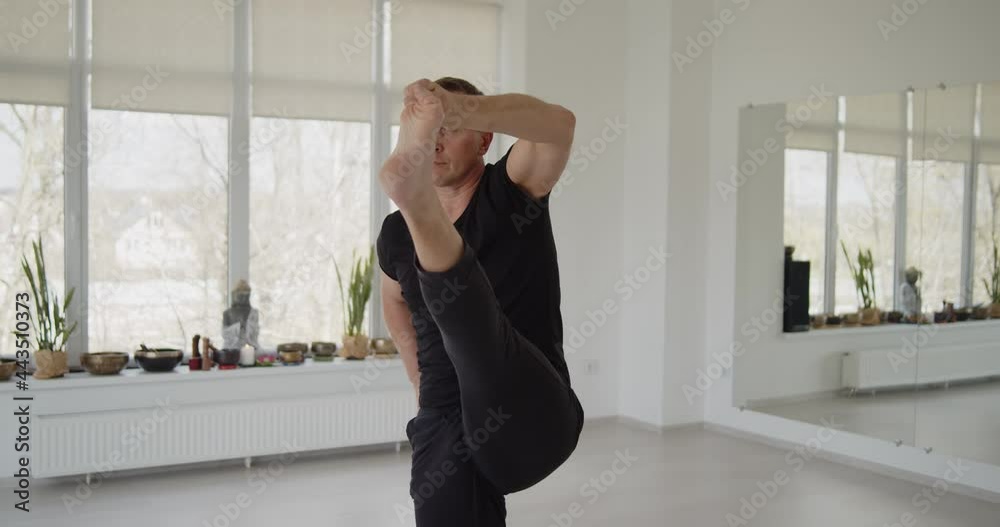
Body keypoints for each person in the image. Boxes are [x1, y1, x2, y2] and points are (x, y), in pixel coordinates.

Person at [376, 77, 584, 526]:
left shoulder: (510, 192)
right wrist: (418, 378)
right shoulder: (394, 235)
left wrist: (457, 106)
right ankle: (419, 207)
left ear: (484, 140)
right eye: (428, 131)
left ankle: (419, 206)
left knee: (476, 336)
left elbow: (559, 124)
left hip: (529, 413)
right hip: (444, 417)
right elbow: (393, 299)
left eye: (448, 129)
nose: (435, 142)